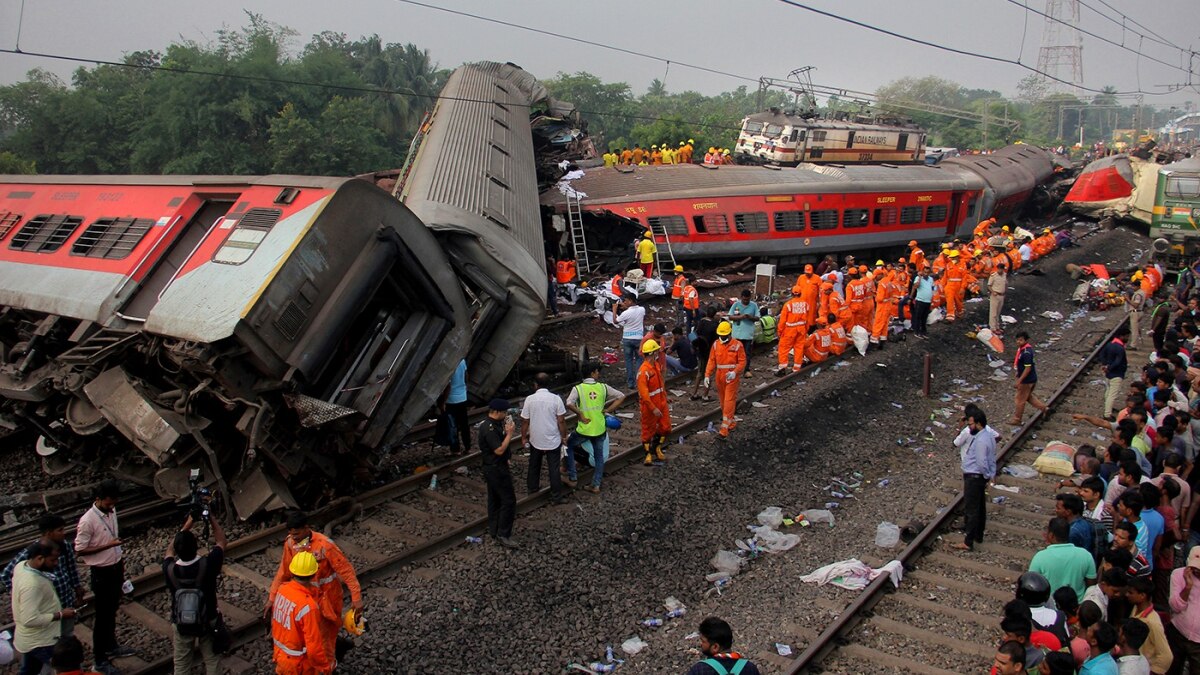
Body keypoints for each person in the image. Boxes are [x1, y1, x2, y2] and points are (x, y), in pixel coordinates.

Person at [266, 511, 363, 663]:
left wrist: (356, 599)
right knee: (312, 635)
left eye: (297, 534)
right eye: (291, 534)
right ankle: (336, 649)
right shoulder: (291, 543)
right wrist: (272, 598)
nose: (294, 538)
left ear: (306, 528)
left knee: (325, 640)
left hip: (328, 599)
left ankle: (329, 666)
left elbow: (347, 572)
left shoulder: (325, 546)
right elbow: (283, 572)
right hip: (307, 600)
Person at [74, 479, 133, 668]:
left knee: (112, 611)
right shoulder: (87, 521)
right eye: (108, 503)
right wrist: (109, 545)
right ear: (98, 500)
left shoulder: (111, 510)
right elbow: (80, 550)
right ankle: (100, 659)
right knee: (102, 617)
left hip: (116, 566)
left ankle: (111, 646)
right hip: (101, 572)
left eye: (114, 503)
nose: (112, 507)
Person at [163, 510, 227, 675]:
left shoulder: (169, 569)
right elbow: (221, 541)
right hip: (208, 619)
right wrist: (211, 517)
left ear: (178, 550)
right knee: (212, 660)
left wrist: (188, 522)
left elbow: (169, 551)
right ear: (196, 546)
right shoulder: (208, 563)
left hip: (181, 622)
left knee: (181, 664)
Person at [1, 514, 82, 637]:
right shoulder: (34, 551)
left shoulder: (64, 546)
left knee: (66, 635)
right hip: (47, 608)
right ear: (48, 533)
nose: (63, 533)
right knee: (50, 639)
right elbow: (6, 574)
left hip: (65, 602)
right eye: (60, 530)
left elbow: (71, 569)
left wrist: (77, 588)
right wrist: (22, 593)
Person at [12, 541, 72, 675]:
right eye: (53, 560)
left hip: (30, 640)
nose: (56, 563)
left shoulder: (21, 566)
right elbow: (29, 619)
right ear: (39, 558)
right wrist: (60, 615)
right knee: (65, 669)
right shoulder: (32, 584)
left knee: (29, 670)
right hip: (42, 641)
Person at [270, 551, 333, 675]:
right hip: (298, 664)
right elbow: (314, 647)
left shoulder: (282, 589)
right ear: (314, 574)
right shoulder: (308, 607)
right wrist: (325, 668)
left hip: (281, 656)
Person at [565, 364, 625, 493]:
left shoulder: (578, 389)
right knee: (599, 457)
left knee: (569, 446)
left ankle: (573, 478)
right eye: (597, 371)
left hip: (585, 428)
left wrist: (579, 413)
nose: (598, 374)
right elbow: (621, 396)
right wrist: (608, 410)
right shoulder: (603, 387)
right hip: (599, 428)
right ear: (592, 373)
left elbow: (568, 403)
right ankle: (596, 485)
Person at [521, 372, 570, 500]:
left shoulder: (529, 399)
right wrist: (564, 436)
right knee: (553, 468)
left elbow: (525, 421)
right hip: (552, 439)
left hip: (535, 438)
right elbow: (561, 421)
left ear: (535, 385)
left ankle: (532, 489)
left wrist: (523, 437)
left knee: (534, 464)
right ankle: (556, 496)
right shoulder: (556, 399)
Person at [954, 408, 996, 551]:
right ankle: (978, 535)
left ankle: (968, 541)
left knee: (971, 509)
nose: (969, 427)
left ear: (978, 424)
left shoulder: (980, 441)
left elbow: (982, 462)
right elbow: (991, 459)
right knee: (980, 507)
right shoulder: (988, 436)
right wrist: (990, 475)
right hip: (978, 477)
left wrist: (985, 475)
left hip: (974, 477)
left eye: (971, 424)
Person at [1029, 516, 1097, 599]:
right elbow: (1091, 587)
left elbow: (1031, 585)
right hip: (1076, 608)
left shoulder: (1040, 557)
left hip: (1050, 608)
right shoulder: (1086, 555)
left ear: (1051, 535)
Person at [705, 321, 746, 440]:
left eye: (724, 335)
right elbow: (711, 361)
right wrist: (707, 375)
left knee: (729, 400)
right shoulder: (716, 345)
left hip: (731, 376)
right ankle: (731, 422)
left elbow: (742, 361)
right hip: (720, 375)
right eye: (721, 335)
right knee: (723, 402)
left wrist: (735, 372)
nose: (722, 337)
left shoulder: (737, 345)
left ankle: (724, 428)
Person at [686, 617, 761, 675]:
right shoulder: (749, 668)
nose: (700, 644)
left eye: (703, 641)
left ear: (715, 647)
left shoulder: (699, 670)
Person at [1126, 576, 1171, 674]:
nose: (1127, 595)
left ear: (1142, 595)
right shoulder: (1135, 608)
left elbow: (1166, 656)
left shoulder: (1152, 622)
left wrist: (1153, 672)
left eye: (1131, 593)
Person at [1167, 547, 1200, 675]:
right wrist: (1188, 587)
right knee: (1172, 669)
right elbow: (1175, 607)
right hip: (1177, 632)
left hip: (1198, 642)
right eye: (1194, 567)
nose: (1196, 570)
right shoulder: (1178, 574)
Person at [638, 340, 671, 466]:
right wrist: (653, 408)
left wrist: (665, 396)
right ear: (652, 353)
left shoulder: (655, 366)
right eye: (656, 351)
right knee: (647, 430)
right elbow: (644, 395)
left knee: (666, 427)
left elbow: (661, 384)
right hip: (649, 406)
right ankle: (648, 454)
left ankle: (657, 447)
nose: (658, 353)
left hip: (661, 402)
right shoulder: (643, 372)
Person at [1011, 332, 1049, 425]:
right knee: (1028, 397)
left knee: (1020, 400)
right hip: (1031, 379)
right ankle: (1044, 408)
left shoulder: (1026, 353)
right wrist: (1018, 373)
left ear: (1026, 340)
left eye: (1021, 340)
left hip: (1026, 381)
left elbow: (1028, 368)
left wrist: (1019, 381)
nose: (1018, 342)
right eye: (1017, 340)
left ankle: (1017, 419)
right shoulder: (1024, 350)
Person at [775, 285, 810, 375]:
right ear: (800, 294)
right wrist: (806, 329)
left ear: (792, 294)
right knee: (799, 348)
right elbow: (807, 319)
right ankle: (796, 368)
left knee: (783, 348)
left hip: (790, 331)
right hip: (801, 330)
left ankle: (782, 368)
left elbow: (782, 321)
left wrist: (779, 331)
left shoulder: (788, 305)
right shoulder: (805, 304)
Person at [438, 358, 471, 453]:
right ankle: (467, 447)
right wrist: (464, 388)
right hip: (462, 397)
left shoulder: (448, 365)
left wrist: (443, 402)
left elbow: (448, 386)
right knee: (464, 424)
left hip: (451, 400)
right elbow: (466, 375)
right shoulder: (462, 361)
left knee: (453, 425)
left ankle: (455, 449)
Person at [615, 292, 646, 390]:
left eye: (626, 301)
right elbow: (636, 314)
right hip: (638, 339)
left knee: (628, 361)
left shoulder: (626, 313)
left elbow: (616, 321)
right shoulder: (642, 309)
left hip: (627, 339)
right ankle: (638, 382)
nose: (624, 302)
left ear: (631, 301)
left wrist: (614, 309)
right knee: (638, 360)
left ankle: (630, 383)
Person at [1101, 327, 1131, 421]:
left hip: (1108, 373)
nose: (1127, 338)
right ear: (1121, 336)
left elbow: (1102, 355)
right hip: (1116, 373)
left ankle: (1107, 407)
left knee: (1108, 391)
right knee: (1112, 394)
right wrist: (1109, 367)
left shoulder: (1110, 344)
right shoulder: (1120, 348)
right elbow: (1118, 361)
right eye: (1126, 336)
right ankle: (1107, 414)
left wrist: (1105, 366)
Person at [727, 290, 759, 377]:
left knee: (747, 353)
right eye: (744, 300)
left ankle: (746, 370)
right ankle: (734, 370)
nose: (746, 301)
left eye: (747, 300)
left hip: (748, 335)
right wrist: (740, 317)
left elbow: (757, 318)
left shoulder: (754, 305)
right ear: (741, 297)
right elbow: (730, 316)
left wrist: (750, 317)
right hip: (737, 334)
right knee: (734, 353)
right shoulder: (736, 304)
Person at [911, 265, 935, 337]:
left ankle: (923, 331)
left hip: (928, 301)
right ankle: (917, 331)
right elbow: (916, 286)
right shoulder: (918, 278)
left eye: (927, 272)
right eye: (925, 272)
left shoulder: (931, 279)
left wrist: (934, 295)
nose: (926, 274)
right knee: (918, 317)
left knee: (924, 317)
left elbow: (933, 288)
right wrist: (920, 278)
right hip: (920, 300)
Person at [989, 262, 1009, 334]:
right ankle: (993, 328)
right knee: (993, 313)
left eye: (1001, 269)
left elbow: (1006, 284)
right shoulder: (993, 276)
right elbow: (989, 285)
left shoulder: (1004, 275)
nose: (1000, 270)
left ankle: (997, 327)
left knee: (998, 312)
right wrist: (993, 292)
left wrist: (1005, 292)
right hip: (995, 295)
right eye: (999, 269)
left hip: (1002, 295)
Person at [1128, 282, 1147, 351]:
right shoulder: (1142, 292)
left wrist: (1127, 299)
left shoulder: (1138, 294)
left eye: (1133, 287)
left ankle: (1133, 345)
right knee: (1137, 329)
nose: (1133, 288)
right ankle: (1140, 343)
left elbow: (1136, 305)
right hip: (1139, 312)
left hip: (1135, 312)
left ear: (1137, 286)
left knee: (1134, 330)